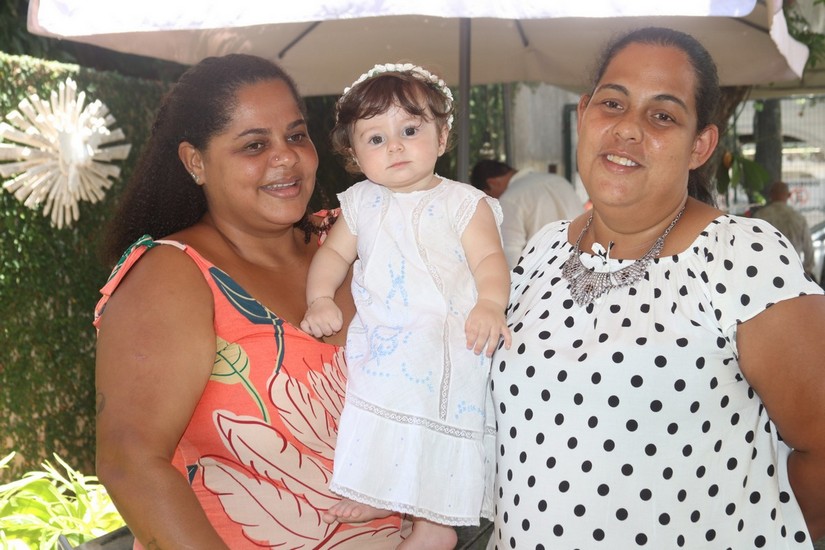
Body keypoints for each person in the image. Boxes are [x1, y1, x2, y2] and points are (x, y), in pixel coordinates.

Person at [489, 27, 825, 549]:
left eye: (662, 115)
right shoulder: (541, 250)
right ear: (584, 115)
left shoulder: (742, 258)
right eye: (613, 103)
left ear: (700, 146)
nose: (628, 128)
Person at [93, 54, 410, 549]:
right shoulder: (172, 275)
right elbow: (130, 461)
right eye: (255, 145)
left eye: (296, 135)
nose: (286, 157)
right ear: (195, 162)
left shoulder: (361, 236)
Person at [299, 63, 511, 549]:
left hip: (448, 340)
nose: (394, 146)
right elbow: (333, 255)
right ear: (354, 155)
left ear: (442, 137)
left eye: (410, 131)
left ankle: (435, 525)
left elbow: (489, 259)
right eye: (376, 139)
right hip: (386, 337)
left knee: (435, 415)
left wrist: (490, 303)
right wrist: (319, 297)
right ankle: (381, 489)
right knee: (375, 399)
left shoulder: (464, 203)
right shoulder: (361, 203)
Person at [470, 159, 584, 267]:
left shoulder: (510, 198)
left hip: (544, 274)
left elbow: (511, 255)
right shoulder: (560, 181)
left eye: (490, 196)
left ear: (492, 183)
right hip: (582, 265)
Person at [752, 180, 816, 277]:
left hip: (767, 273)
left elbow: (753, 247)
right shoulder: (799, 218)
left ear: (770, 195)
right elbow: (809, 249)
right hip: (794, 273)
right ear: (789, 195)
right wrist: (806, 270)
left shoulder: (759, 216)